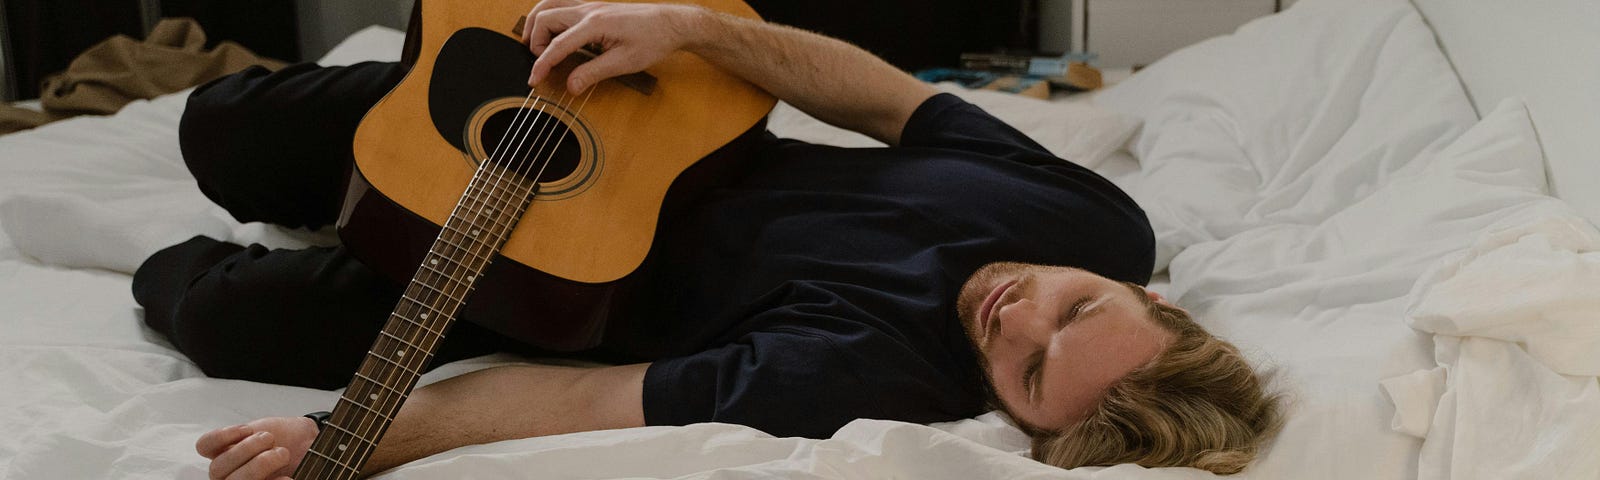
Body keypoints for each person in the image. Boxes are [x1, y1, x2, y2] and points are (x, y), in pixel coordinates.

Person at [138, 1, 1282, 479]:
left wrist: (350, 433)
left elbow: (583, 400)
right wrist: (692, 30)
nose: (1018, 315)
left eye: (1027, 371)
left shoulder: (862, 374)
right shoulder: (1097, 222)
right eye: (1078, 307)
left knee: (213, 312)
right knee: (219, 129)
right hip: (664, 116)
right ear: (1157, 300)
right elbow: (889, 102)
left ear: (1020, 423)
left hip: (549, 270)